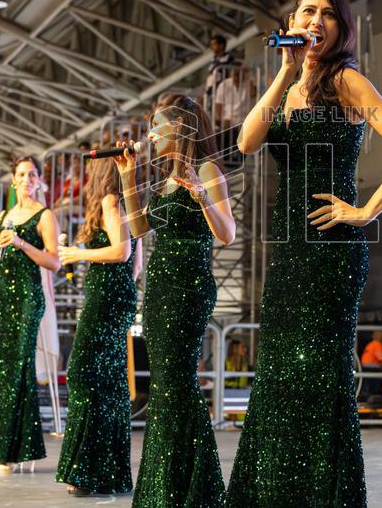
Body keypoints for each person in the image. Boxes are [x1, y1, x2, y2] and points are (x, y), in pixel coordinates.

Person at [227, 0, 382, 506]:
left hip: (331, 251)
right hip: (288, 252)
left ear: (340, 28)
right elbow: (247, 140)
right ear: (292, 24)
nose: (316, 21)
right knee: (279, 373)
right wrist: (284, 74)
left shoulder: (347, 81)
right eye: (306, 12)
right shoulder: (288, 87)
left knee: (320, 376)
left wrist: (364, 210)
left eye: (327, 14)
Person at [116, 93, 235, 506]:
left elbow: (227, 234)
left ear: (180, 128)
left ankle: (191, 488)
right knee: (166, 385)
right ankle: (167, 485)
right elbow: (138, 228)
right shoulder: (165, 178)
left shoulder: (206, 170)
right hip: (160, 289)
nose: (149, 134)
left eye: (156, 126)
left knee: (178, 383)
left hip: (188, 286)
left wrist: (202, 195)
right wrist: (128, 180)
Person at [0, 156, 60, 474]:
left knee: (18, 371)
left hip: (27, 299)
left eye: (32, 174)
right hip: (2, 298)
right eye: (21, 174)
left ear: (38, 180)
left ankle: (8, 452)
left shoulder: (45, 216)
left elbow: (54, 262)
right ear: (13, 180)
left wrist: (22, 243)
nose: (27, 178)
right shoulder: (4, 214)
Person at [55, 158, 138, 497]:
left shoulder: (110, 202)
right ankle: (108, 472)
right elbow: (137, 262)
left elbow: (122, 251)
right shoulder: (128, 204)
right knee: (111, 382)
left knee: (83, 374)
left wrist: (78, 254)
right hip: (119, 297)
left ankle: (84, 470)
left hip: (106, 298)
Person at [360, 330, 382, 400]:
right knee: (373, 393)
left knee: (366, 391)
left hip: (365, 371)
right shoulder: (377, 345)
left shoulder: (370, 345)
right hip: (372, 372)